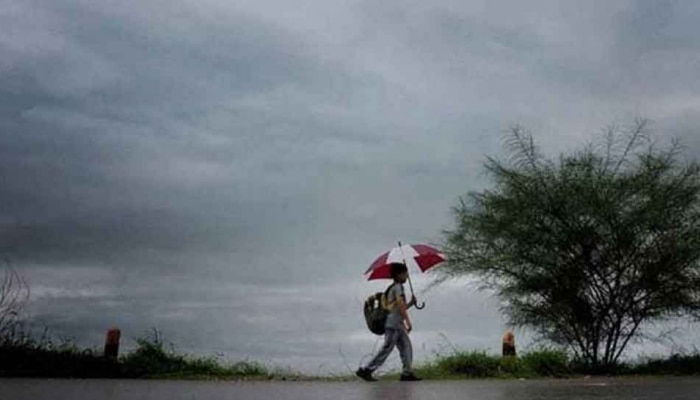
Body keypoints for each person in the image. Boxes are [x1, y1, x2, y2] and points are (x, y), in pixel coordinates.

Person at [356, 262, 422, 382]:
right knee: (387, 348)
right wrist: (408, 321)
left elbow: (396, 308)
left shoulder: (392, 288)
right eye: (405, 273)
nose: (407, 276)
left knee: (406, 346)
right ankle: (366, 370)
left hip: (396, 323)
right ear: (399, 274)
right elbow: (400, 306)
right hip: (394, 324)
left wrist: (411, 304)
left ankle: (407, 373)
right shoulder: (398, 287)